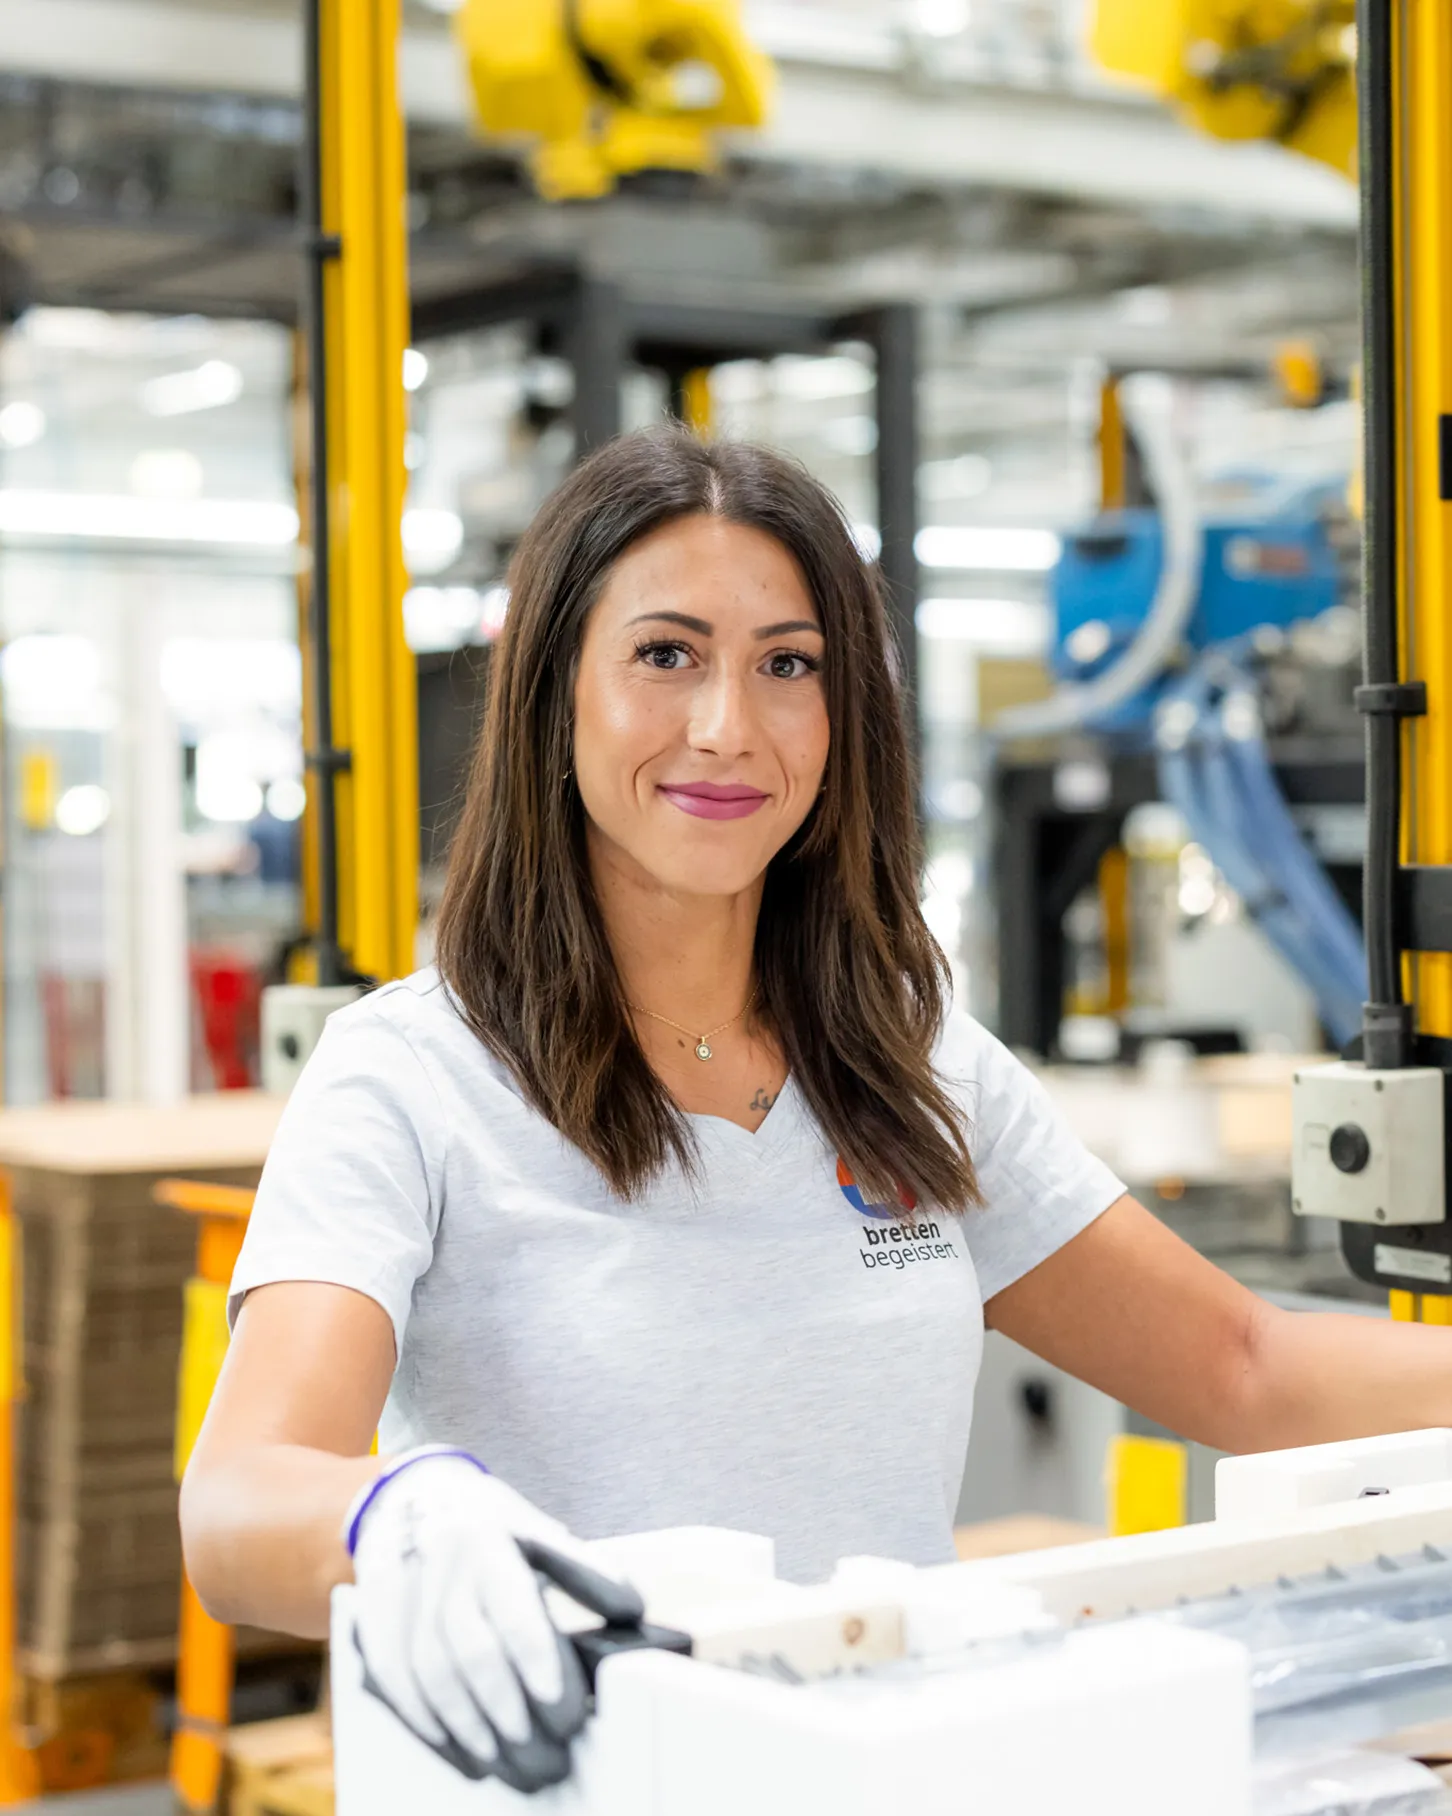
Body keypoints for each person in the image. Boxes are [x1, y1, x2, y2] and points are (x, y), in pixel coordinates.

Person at [182, 426, 1452, 1794]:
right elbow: (240, 1503)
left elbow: (1243, 1366)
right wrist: (396, 1514)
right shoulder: (412, 1076)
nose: (728, 726)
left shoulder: (914, 1064)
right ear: (555, 695)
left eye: (789, 665)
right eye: (665, 655)